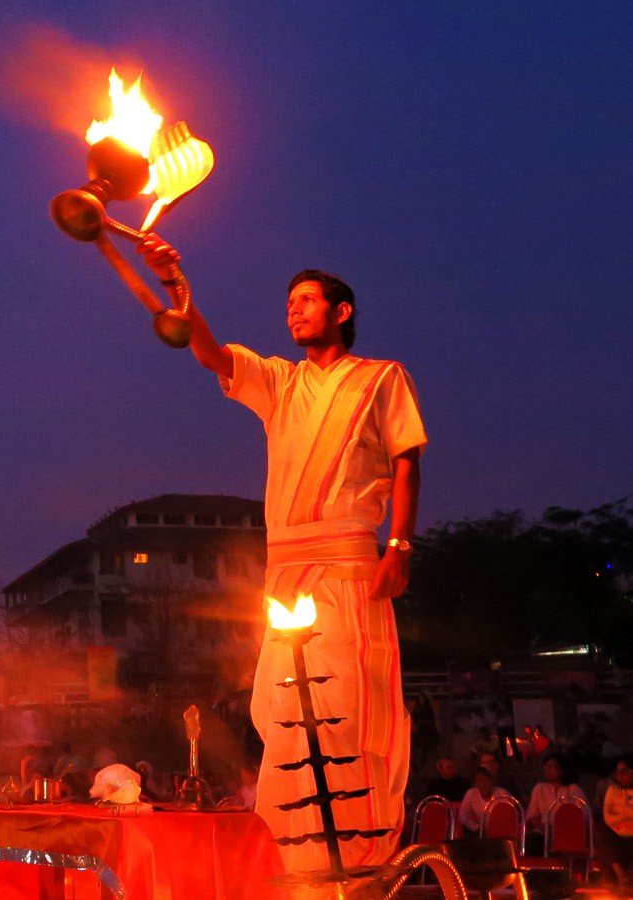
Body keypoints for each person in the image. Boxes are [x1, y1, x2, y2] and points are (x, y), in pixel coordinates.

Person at [139, 238, 426, 872]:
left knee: (351, 702)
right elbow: (208, 351)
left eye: (306, 301)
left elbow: (406, 460)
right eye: (288, 303)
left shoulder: (382, 377)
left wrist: (400, 546)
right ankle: (297, 860)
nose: (292, 312)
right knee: (284, 708)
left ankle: (365, 853)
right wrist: (175, 282)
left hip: (351, 562)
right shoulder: (279, 382)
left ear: (342, 311)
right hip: (286, 569)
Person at [525, 753, 586, 852]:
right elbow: (532, 815)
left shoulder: (572, 790)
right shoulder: (539, 789)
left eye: (553, 767)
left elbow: (584, 814)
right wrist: (543, 827)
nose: (548, 769)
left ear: (563, 770)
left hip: (566, 831)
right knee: (533, 840)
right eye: (547, 766)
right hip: (543, 831)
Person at [599, 756, 633, 890]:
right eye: (618, 772)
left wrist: (620, 814)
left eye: (624, 771)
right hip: (617, 834)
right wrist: (628, 814)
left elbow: (614, 817)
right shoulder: (612, 790)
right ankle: (621, 875)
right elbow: (608, 817)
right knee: (601, 828)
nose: (620, 775)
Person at [458, 767, 509, 834]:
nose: (484, 784)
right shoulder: (471, 794)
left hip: (501, 831)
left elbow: (511, 813)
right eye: (480, 781)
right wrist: (475, 827)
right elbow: (463, 815)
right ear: (474, 784)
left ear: (491, 781)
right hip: (480, 832)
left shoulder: (502, 793)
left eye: (486, 780)